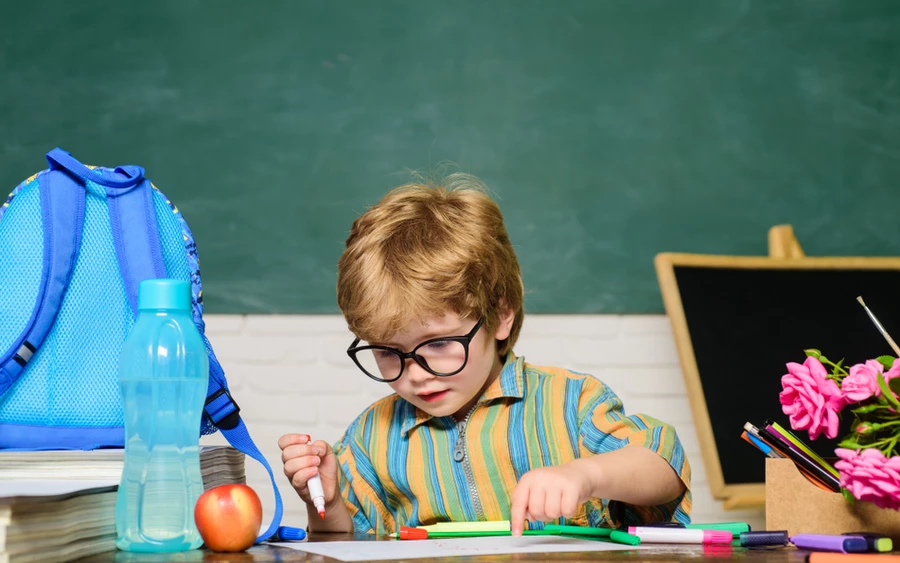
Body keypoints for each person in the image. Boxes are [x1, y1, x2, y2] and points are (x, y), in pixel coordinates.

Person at [279, 174, 690, 535]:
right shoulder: (370, 439)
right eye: (388, 352)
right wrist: (328, 506)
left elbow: (663, 465)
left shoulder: (571, 402)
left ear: (501, 316)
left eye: (438, 344)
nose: (416, 375)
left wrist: (586, 474)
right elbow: (344, 540)